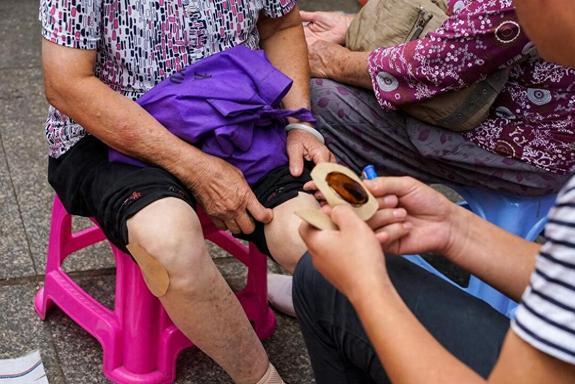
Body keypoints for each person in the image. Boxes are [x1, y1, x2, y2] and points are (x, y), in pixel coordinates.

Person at [40, 1, 333, 382]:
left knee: (315, 241)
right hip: (110, 131)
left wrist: (299, 123)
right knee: (168, 242)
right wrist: (197, 170)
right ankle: (259, 377)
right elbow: (67, 84)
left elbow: (281, 26)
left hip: (232, 111)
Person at [293, 2, 575, 382]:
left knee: (322, 280)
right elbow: (565, 288)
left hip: (524, 146)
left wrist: (365, 286)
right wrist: (454, 228)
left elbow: (442, 59)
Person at [301, 0, 575, 196]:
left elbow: (439, 63)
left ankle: (346, 235)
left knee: (314, 98)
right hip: (482, 102)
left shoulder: (538, 8)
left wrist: (332, 61)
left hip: (526, 148)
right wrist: (359, 27)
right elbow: (465, 19)